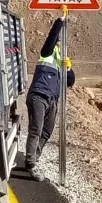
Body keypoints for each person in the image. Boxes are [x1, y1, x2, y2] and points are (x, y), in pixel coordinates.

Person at [23, 16, 74, 181]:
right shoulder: (47, 53)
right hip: (38, 95)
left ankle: (33, 158)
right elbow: (51, 39)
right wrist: (60, 21)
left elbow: (71, 82)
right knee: (36, 130)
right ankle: (31, 164)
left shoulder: (61, 60)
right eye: (58, 42)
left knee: (47, 131)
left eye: (61, 43)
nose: (59, 44)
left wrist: (69, 68)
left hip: (52, 100)